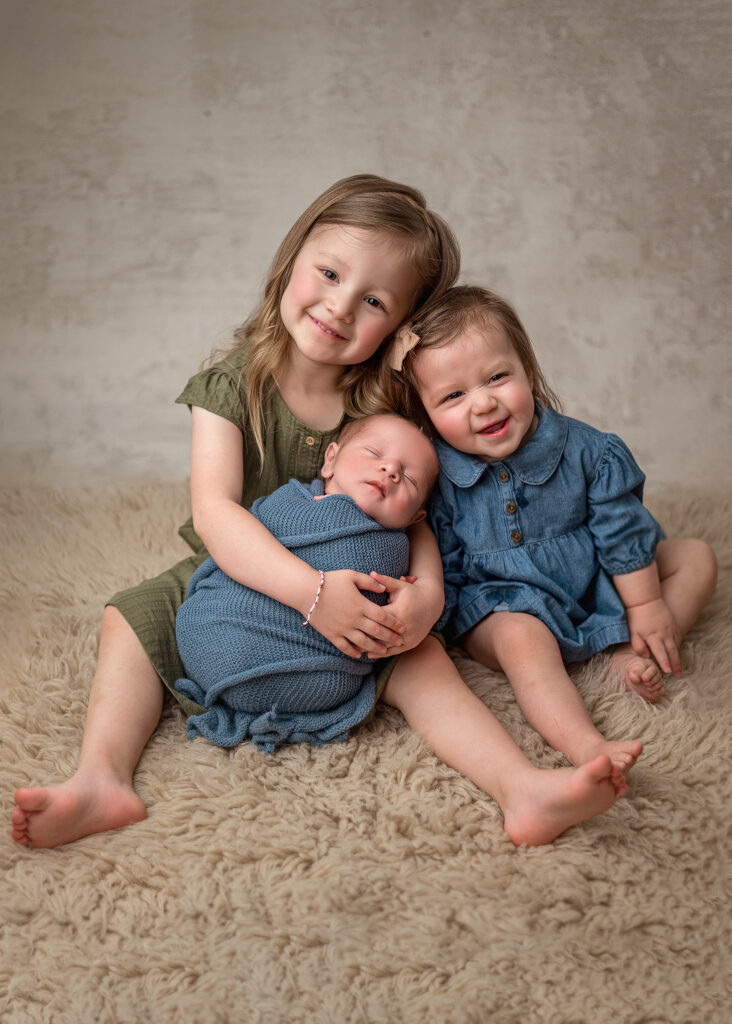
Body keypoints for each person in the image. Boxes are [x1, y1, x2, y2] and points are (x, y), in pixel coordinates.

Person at [11, 173, 459, 849]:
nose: (339, 306)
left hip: (357, 587)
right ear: (292, 259)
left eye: (373, 301)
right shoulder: (231, 385)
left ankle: (519, 785)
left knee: (419, 654)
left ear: (398, 326)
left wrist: (427, 595)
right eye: (329, 273)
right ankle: (102, 778)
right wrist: (312, 595)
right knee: (130, 617)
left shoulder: (381, 407)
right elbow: (216, 514)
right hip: (234, 577)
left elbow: (417, 515)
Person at [384, 284, 717, 779]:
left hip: (590, 582)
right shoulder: (436, 474)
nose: (484, 403)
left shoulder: (589, 451)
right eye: (453, 396)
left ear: (528, 369)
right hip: (500, 604)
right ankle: (586, 744)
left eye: (497, 377)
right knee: (522, 638)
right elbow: (441, 556)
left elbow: (622, 534)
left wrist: (646, 604)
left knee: (696, 557)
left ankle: (630, 649)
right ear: (424, 412)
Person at [173, 413, 439, 752]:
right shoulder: (286, 501)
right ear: (330, 460)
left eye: (410, 478)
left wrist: (419, 596)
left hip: (319, 676)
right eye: (374, 453)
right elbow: (239, 545)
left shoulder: (399, 548)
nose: (391, 470)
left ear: (415, 518)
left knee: (425, 661)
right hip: (216, 634)